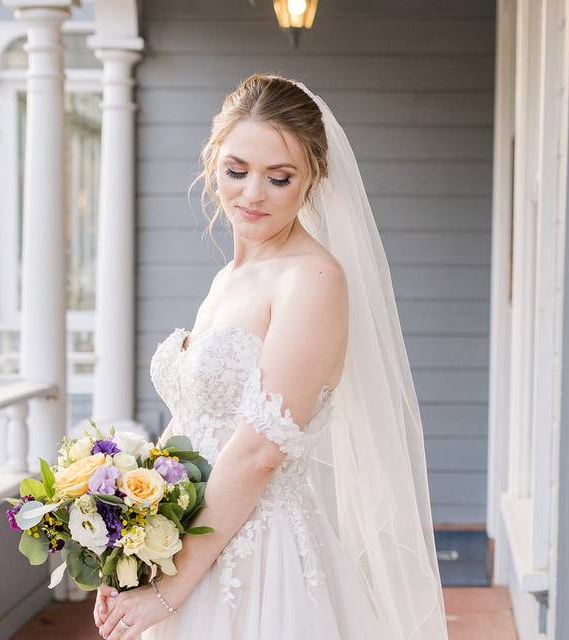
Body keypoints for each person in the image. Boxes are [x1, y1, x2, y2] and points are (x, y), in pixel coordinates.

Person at [93, 73, 449, 639]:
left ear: (312, 179)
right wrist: (130, 550)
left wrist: (171, 587)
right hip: (190, 545)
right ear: (213, 162)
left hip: (259, 561)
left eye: (278, 178)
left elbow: (258, 452)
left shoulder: (313, 278)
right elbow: (189, 432)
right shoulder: (228, 278)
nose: (252, 194)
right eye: (237, 171)